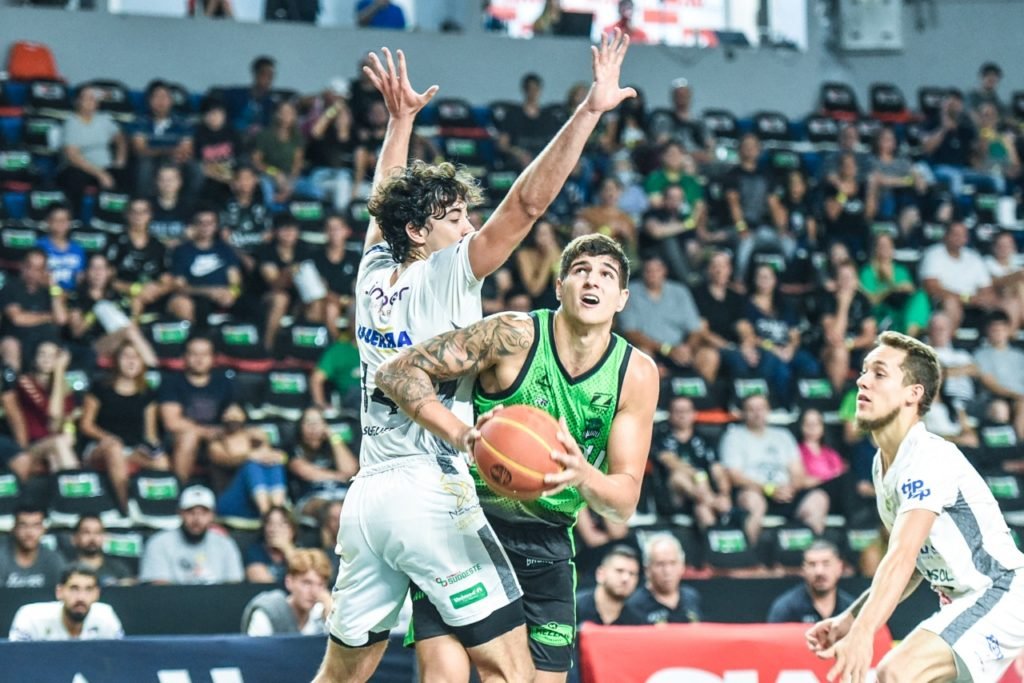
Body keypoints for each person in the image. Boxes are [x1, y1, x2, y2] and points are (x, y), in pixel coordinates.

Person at [313, 34, 638, 683]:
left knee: (342, 674)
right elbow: (528, 204)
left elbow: (385, 202)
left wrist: (400, 124)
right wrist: (591, 111)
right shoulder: (445, 275)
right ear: (421, 232)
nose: (467, 228)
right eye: (455, 217)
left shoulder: (374, 268)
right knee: (512, 672)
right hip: (431, 494)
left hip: (369, 499)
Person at [376, 233, 658, 681]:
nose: (593, 280)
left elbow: (621, 503)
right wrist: (465, 436)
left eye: (607, 275)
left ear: (621, 298)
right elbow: (397, 371)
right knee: (442, 677)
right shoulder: (513, 334)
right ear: (560, 284)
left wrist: (583, 473)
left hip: (546, 546)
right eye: (581, 270)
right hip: (467, 529)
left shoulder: (636, 373)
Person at [806, 331, 1024, 683]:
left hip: (1001, 592)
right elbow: (914, 565)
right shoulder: (883, 465)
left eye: (879, 373)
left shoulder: (927, 458)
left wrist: (864, 631)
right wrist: (851, 618)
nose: (862, 381)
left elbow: (902, 555)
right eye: (863, 371)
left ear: (913, 393)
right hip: (964, 602)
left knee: (897, 672)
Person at [720, 393, 830, 545]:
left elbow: (798, 471)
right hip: (754, 491)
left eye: (761, 408)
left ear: (768, 410)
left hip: (785, 493)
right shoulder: (734, 436)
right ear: (743, 413)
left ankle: (815, 554)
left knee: (819, 499)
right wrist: (768, 489)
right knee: (754, 501)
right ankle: (750, 557)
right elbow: (735, 476)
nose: (757, 413)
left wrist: (791, 488)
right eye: (751, 409)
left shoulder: (783, 435)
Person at [80, 341, 166, 511]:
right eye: (126, 356)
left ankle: (159, 510)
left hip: (132, 450)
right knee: (114, 448)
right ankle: (126, 507)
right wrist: (108, 438)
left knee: (161, 462)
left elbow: (150, 434)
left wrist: (153, 449)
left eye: (136, 357)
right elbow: (86, 425)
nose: (131, 361)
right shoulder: (100, 388)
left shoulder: (147, 393)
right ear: (116, 361)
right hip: (99, 447)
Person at [158, 335, 234, 483]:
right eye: (194, 354)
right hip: (177, 438)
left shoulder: (223, 382)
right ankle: (179, 492)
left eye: (204, 354)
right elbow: (172, 422)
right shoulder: (171, 382)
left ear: (213, 358)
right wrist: (206, 432)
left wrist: (233, 423)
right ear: (185, 357)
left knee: (246, 438)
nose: (199, 359)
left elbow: (233, 412)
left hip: (215, 436)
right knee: (189, 437)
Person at [649, 395, 732, 530]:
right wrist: (699, 476)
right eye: (678, 411)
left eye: (686, 411)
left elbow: (718, 471)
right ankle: (711, 502)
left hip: (700, 497)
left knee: (703, 511)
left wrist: (724, 495)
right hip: (674, 496)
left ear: (694, 413)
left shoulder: (704, 439)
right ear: (670, 414)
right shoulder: (661, 437)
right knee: (678, 475)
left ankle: (713, 542)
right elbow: (671, 462)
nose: (682, 415)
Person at [139, 484, 244, 585]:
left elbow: (233, 587)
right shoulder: (159, 543)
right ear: (180, 513)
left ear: (212, 515)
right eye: (190, 511)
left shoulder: (225, 544)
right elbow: (159, 592)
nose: (197, 519)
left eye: (204, 512)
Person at [3, 341, 79, 476]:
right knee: (59, 443)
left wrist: (68, 433)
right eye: (42, 354)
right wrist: (59, 369)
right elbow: (53, 414)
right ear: (34, 358)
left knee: (55, 456)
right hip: (29, 448)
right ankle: (77, 490)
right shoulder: (25, 382)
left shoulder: (65, 388)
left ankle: (66, 495)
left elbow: (57, 425)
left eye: (52, 356)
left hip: (52, 446)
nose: (46, 359)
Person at [210, 404, 288, 522]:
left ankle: (277, 511)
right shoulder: (216, 442)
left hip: (255, 504)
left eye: (237, 414)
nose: (233, 417)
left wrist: (264, 441)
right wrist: (248, 456)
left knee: (273, 463)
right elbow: (226, 460)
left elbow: (274, 456)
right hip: (231, 502)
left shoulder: (254, 438)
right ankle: (268, 515)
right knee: (251, 465)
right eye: (228, 414)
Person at [58, 86, 127, 215]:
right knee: (74, 179)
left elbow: (120, 138)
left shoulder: (104, 119)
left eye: (94, 98)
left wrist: (120, 159)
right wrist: (100, 174)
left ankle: (113, 218)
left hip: (105, 166)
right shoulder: (71, 122)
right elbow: (72, 155)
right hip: (80, 167)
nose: (91, 101)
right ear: (78, 101)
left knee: (123, 176)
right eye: (87, 98)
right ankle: (75, 218)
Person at [8, 564, 124, 641]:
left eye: (88, 589)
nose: (81, 597)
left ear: (97, 594)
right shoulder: (30, 617)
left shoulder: (106, 617)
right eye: (74, 589)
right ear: (59, 592)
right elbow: (15, 664)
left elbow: (120, 662)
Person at [0, 248, 67, 373]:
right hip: (17, 338)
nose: (32, 272)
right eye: (29, 266)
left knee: (54, 350)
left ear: (44, 271)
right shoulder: (11, 287)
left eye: (38, 269)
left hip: (43, 341)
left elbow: (61, 318)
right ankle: (13, 389)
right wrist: (48, 317)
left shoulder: (50, 291)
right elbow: (18, 319)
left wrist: (53, 286)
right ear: (22, 266)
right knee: (11, 346)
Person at [287, 406, 358, 518]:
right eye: (308, 423)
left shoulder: (334, 447)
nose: (313, 428)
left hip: (341, 495)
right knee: (334, 510)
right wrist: (340, 476)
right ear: (300, 427)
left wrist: (332, 436)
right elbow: (307, 473)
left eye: (317, 423)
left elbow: (350, 470)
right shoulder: (294, 449)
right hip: (311, 498)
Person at [242, 548, 332, 635]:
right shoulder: (269, 612)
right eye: (307, 583)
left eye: (321, 585)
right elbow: (255, 649)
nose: (314, 592)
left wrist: (330, 609)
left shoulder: (323, 613)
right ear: (289, 582)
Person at [767, 539, 854, 624]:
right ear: (803, 570)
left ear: (839, 568)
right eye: (812, 565)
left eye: (826, 564)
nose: (819, 572)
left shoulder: (851, 608)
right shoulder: (786, 608)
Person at [624, 533, 701, 624]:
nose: (667, 571)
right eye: (660, 564)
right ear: (647, 569)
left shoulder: (691, 597)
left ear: (682, 566)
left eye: (673, 563)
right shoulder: (634, 605)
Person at [575, 545, 644, 627]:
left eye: (632, 574)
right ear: (600, 574)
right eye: (619, 571)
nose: (626, 578)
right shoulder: (573, 609)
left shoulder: (637, 623)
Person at [0, 504, 66, 588]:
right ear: (14, 529)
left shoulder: (54, 560)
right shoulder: (2, 558)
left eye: (36, 526)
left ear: (43, 530)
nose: (29, 533)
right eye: (23, 525)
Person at [64, 515, 135, 586]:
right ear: (74, 538)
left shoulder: (119, 568)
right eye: (86, 532)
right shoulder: (66, 569)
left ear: (104, 537)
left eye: (97, 532)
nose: (92, 538)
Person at [38, 203, 86, 293]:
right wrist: (57, 292)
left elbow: (81, 276)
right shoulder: (39, 246)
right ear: (48, 221)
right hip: (46, 294)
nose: (60, 224)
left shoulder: (78, 249)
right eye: (56, 220)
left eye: (64, 220)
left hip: (73, 296)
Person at [243, 505, 297, 583]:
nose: (274, 529)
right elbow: (262, 583)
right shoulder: (255, 551)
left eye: (282, 524)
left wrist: (287, 549)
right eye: (270, 523)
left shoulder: (302, 552)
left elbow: (307, 580)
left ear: (292, 531)